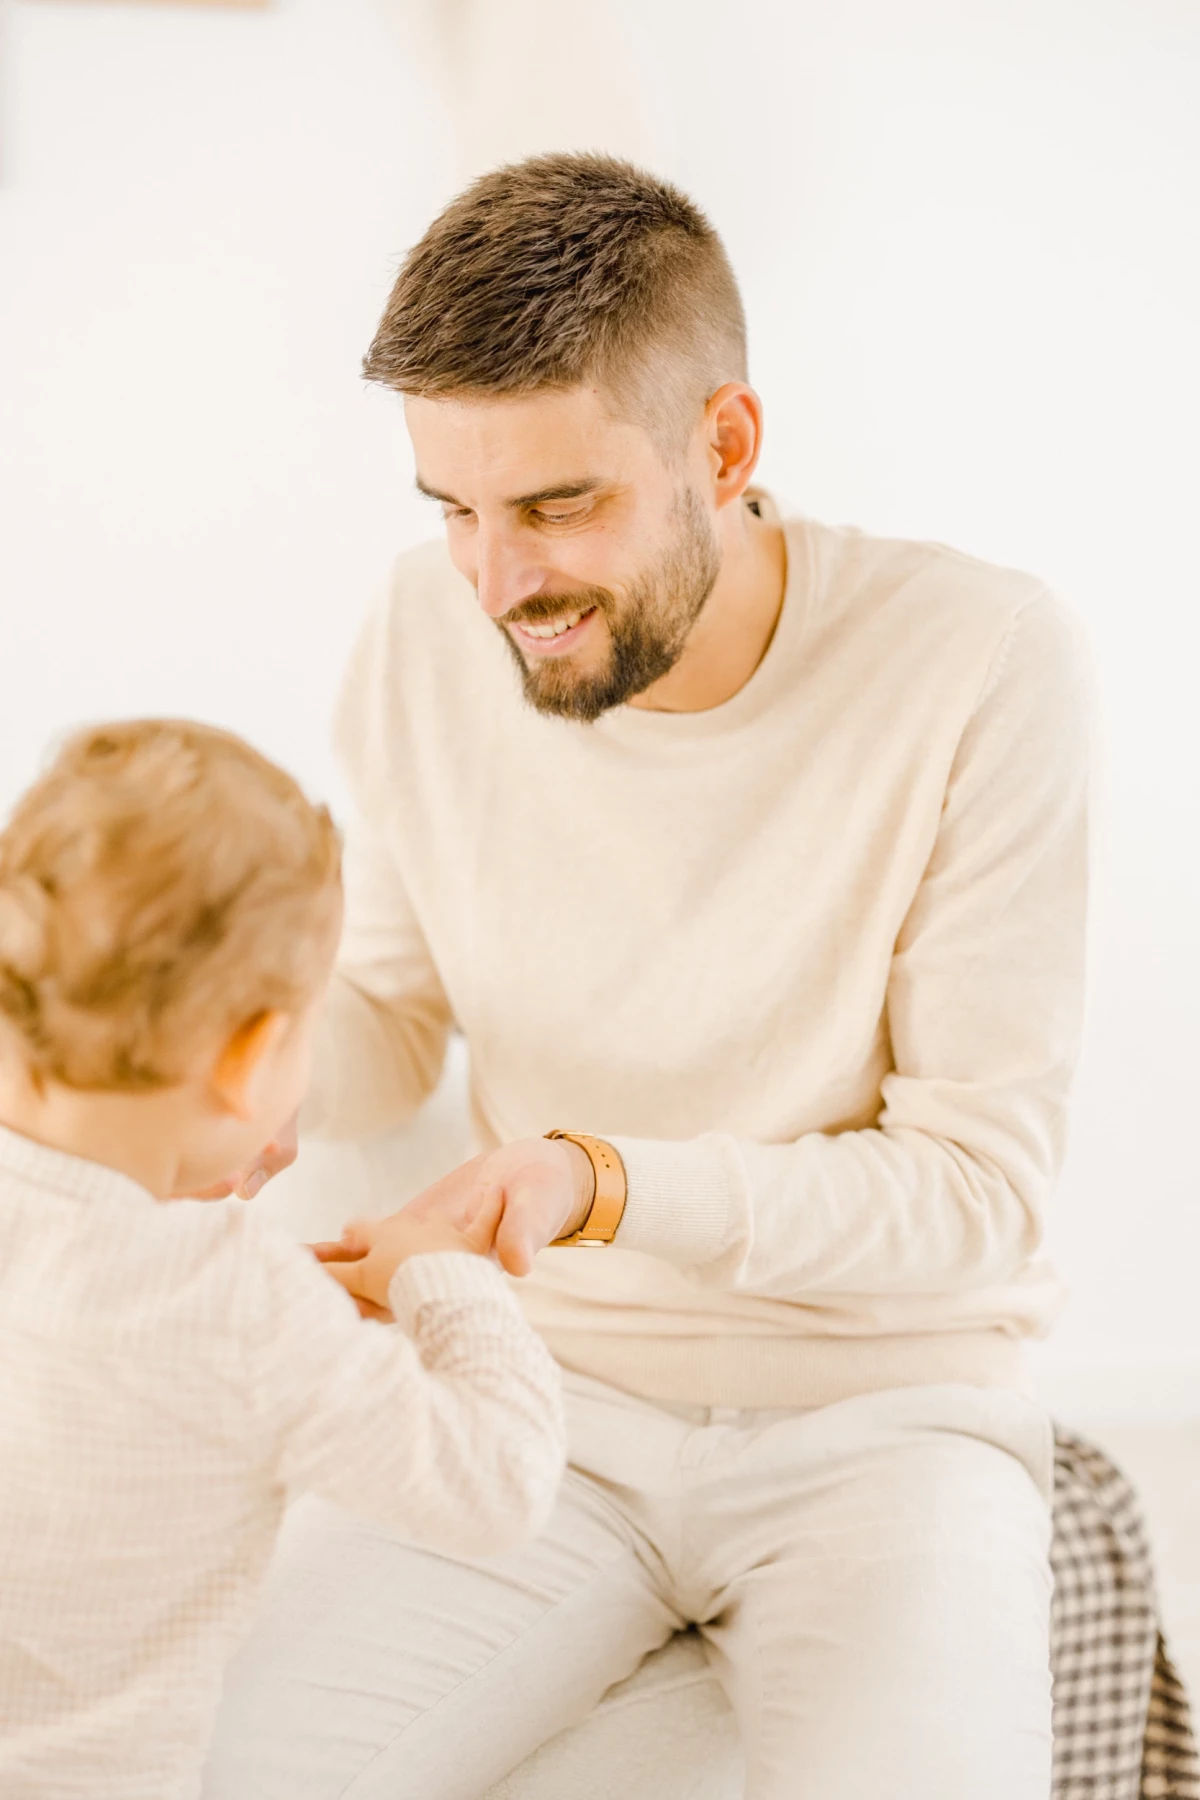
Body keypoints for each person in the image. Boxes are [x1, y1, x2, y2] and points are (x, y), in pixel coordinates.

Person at [205, 154, 1089, 1800]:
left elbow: (978, 1195)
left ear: (726, 446)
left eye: (555, 507)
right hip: (543, 1403)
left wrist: (598, 1184)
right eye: (452, 509)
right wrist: (204, 1063)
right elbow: (391, 1012)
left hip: (885, 1424)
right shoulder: (425, 629)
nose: (496, 584)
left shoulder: (981, 662)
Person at [0, 720, 565, 1800]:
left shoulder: (242, 1310)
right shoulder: (242, 1307)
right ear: (252, 1056)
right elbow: (495, 1482)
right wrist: (441, 1279)